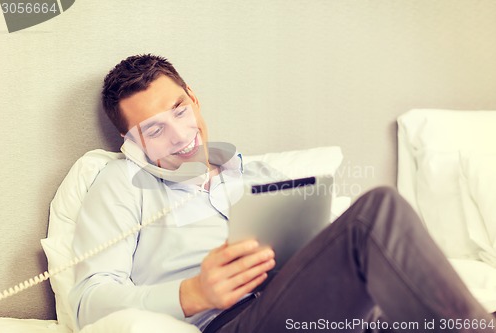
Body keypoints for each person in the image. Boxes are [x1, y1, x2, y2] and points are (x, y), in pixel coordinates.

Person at [69, 54, 495, 333]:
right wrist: (193, 293)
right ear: (131, 142)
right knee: (375, 213)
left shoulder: (255, 172)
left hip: (313, 308)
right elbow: (88, 303)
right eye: (155, 129)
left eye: (180, 110)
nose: (181, 136)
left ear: (195, 101)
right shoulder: (120, 185)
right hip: (233, 323)